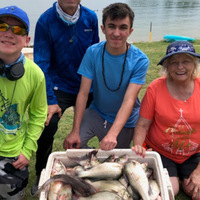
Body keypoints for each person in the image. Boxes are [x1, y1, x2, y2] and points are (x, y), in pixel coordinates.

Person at [31, 0, 99, 195]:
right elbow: (42, 62)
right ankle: (42, 171)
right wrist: (50, 100)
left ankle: (91, 164)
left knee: (106, 117)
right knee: (47, 123)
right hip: (58, 84)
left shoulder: (90, 17)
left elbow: (95, 52)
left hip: (86, 83)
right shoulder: (45, 20)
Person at [63, 3, 149, 151]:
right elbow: (83, 93)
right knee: (72, 148)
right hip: (96, 113)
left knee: (116, 159)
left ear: (130, 31)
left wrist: (112, 134)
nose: (116, 33)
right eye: (111, 26)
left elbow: (129, 100)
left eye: (123, 27)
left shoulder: (140, 60)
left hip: (125, 120)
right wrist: (75, 131)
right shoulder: (92, 52)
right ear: (103, 29)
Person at [132, 41, 200, 199]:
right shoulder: (155, 88)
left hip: (194, 153)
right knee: (168, 191)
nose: (180, 67)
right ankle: (178, 180)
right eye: (174, 62)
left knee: (196, 192)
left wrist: (198, 172)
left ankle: (187, 177)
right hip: (160, 151)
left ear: (194, 64)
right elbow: (142, 125)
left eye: (186, 61)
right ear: (167, 67)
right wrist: (137, 147)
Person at [0, 5, 47, 200]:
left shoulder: (35, 74)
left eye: (17, 30)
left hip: (13, 155)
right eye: (2, 27)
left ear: (27, 41)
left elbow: (38, 115)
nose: (9, 33)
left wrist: (28, 150)